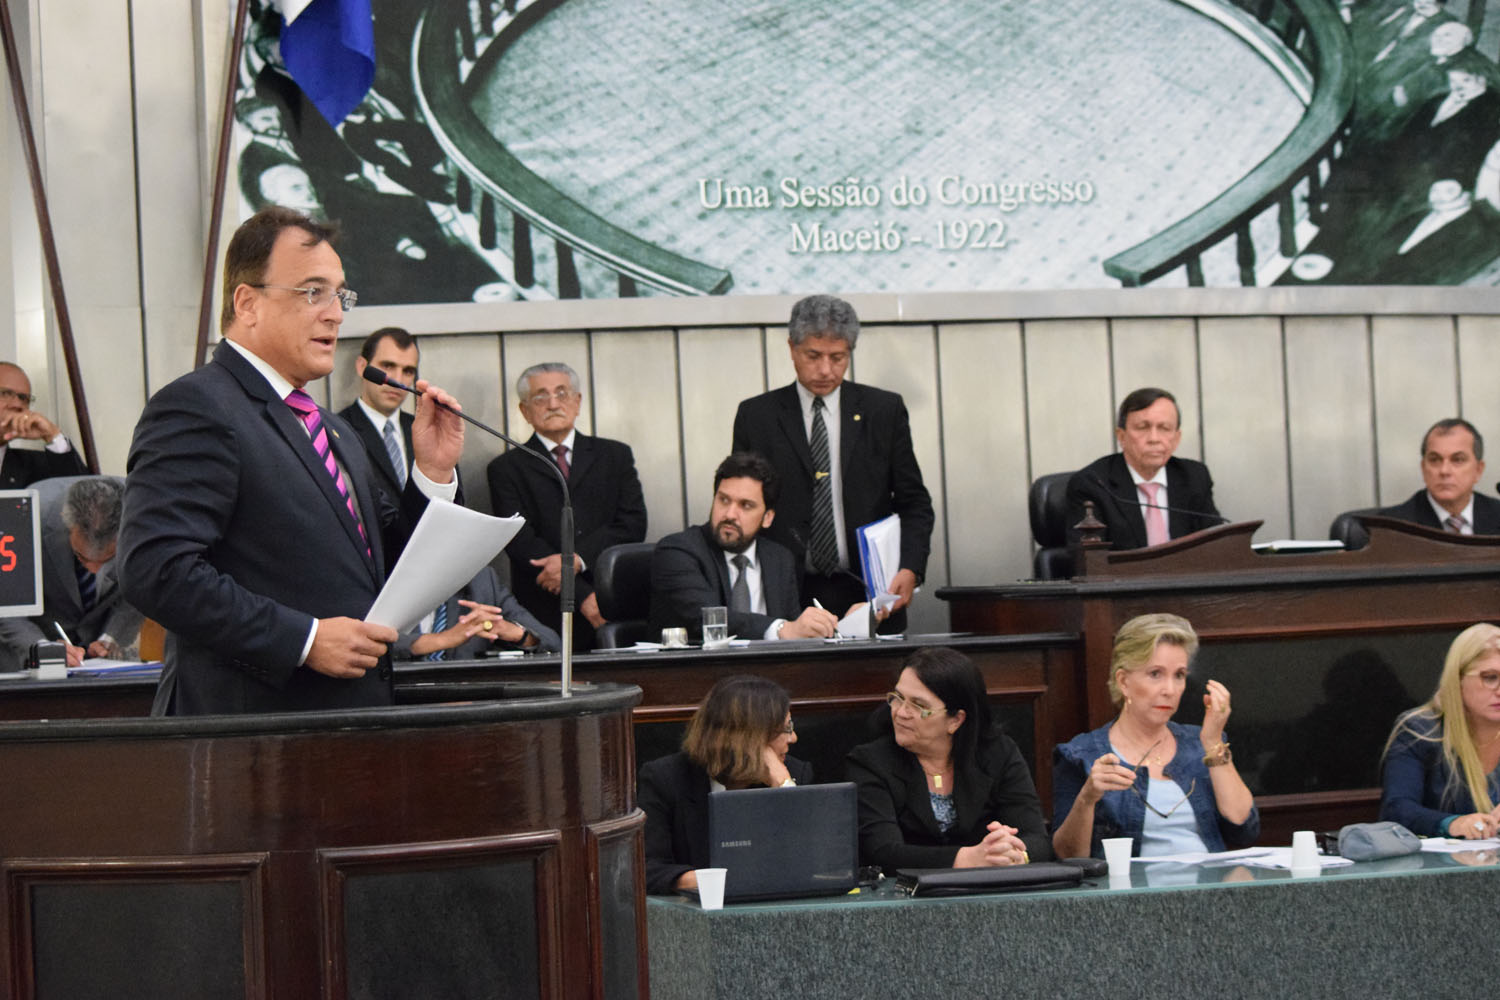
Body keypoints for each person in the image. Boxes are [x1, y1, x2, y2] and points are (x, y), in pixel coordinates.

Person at [118, 206, 464, 715]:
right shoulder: (197, 407)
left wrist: (431, 473)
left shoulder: (335, 431)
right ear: (248, 303)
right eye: (312, 292)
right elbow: (157, 570)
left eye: (340, 294)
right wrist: (303, 639)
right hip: (251, 737)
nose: (336, 313)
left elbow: (387, 568)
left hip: (349, 726)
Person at [731, 294, 934, 632]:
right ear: (792, 348)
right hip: (786, 591)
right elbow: (742, 501)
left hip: (869, 589)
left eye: (838, 357)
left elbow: (914, 502)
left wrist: (910, 568)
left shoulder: (883, 411)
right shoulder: (758, 417)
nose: (826, 370)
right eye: (813, 356)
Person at [1051, 614, 1258, 858]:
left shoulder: (1200, 744)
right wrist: (1087, 799)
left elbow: (1244, 830)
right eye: (1155, 674)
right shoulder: (1082, 755)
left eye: (1179, 675)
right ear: (1124, 681)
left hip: (1207, 890)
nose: (1169, 690)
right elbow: (1068, 857)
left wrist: (1213, 744)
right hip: (1131, 894)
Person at [486, 362, 647, 651]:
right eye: (540, 396)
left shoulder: (615, 455)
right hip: (543, 613)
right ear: (524, 410)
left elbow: (632, 525)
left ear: (577, 401)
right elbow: (520, 541)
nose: (553, 403)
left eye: (562, 393)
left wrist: (576, 559)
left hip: (611, 602)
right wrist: (581, 595)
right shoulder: (506, 468)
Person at [845, 646, 1051, 871]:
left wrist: (1013, 853)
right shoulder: (870, 762)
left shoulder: (998, 753)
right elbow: (883, 851)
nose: (901, 712)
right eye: (897, 698)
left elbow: (1038, 840)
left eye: (919, 706)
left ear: (956, 720)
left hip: (986, 889)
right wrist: (966, 859)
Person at [638, 674, 810, 894]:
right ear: (748, 738)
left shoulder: (792, 774)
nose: (793, 737)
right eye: (785, 729)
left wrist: (785, 791)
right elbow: (647, 870)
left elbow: (811, 863)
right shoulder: (666, 778)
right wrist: (713, 881)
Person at [649, 452, 844, 642]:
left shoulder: (779, 559)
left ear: (767, 518)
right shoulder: (677, 551)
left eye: (746, 505)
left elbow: (794, 633)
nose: (730, 514)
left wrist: (839, 627)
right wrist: (781, 629)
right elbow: (705, 619)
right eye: (723, 500)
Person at [0, 476, 142, 671]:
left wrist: (112, 637)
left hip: (103, 664)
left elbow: (142, 583)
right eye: (81, 557)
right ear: (68, 526)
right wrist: (40, 648)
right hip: (31, 653)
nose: (94, 570)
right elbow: (7, 604)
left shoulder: (143, 517)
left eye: (108, 559)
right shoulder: (28, 515)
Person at [1380, 622, 1500, 837]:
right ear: (1458, 680)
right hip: (1441, 865)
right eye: (1490, 677)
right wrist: (1453, 824)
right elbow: (1397, 809)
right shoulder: (1419, 731)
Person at [1065, 387, 1222, 550]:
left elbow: (1215, 544)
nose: (1154, 439)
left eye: (1164, 428)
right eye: (1142, 427)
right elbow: (1090, 561)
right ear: (1121, 436)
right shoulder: (1092, 484)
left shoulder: (1194, 477)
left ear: (1176, 439)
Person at [393, 565, 559, 660]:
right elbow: (373, 642)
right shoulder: (385, 573)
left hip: (466, 704)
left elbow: (554, 644)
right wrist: (442, 640)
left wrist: (515, 633)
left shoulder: (481, 579)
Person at [338, 327, 420, 504]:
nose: (397, 380)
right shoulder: (338, 430)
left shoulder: (422, 430)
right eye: (388, 366)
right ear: (362, 367)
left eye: (408, 371)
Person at [1378, 417, 1500, 534]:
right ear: (1423, 468)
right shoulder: (1393, 527)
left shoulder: (1496, 514)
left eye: (1457, 460)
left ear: (1478, 470)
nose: (1444, 471)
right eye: (1435, 460)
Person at [0, 362, 86, 489]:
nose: (17, 405)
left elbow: (84, 495)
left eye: (23, 398)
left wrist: (52, 435)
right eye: (5, 393)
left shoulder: (36, 466)